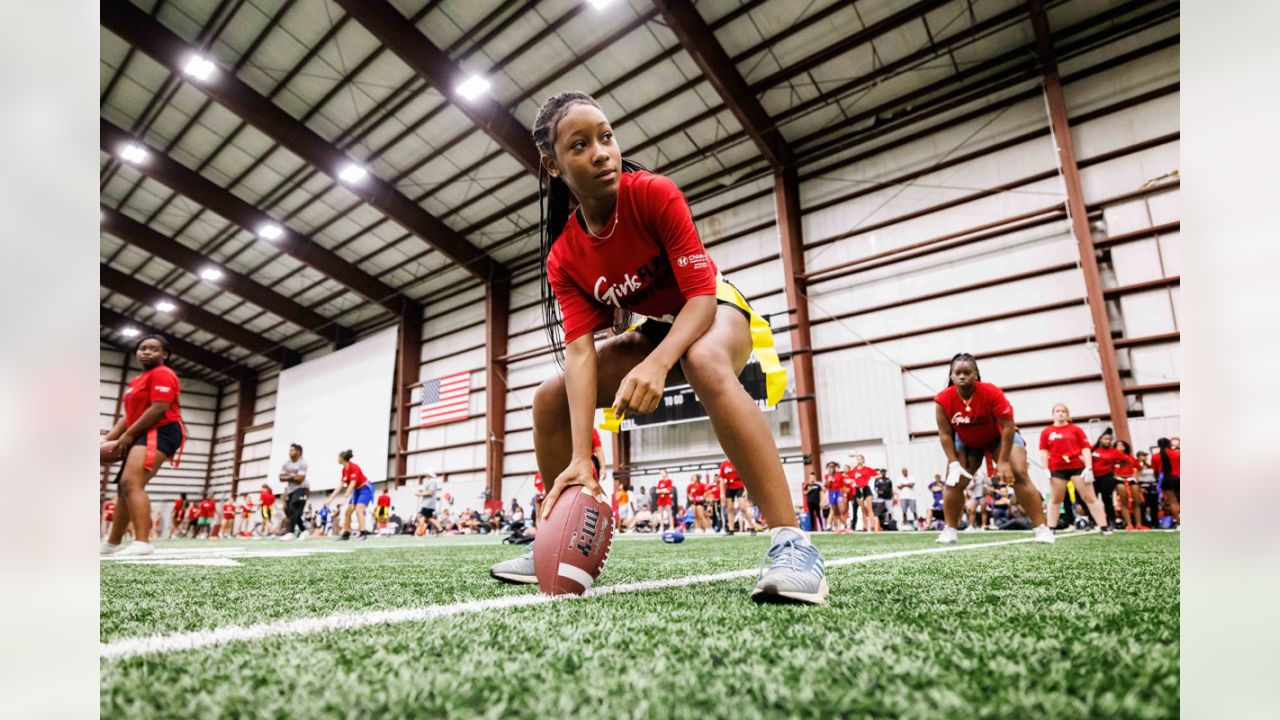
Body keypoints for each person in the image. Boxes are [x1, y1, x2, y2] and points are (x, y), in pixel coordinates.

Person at [486, 91, 823, 601]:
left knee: (704, 360)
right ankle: (557, 539)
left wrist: (660, 363)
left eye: (606, 137)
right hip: (655, 330)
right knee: (548, 397)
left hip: (714, 309)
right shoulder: (565, 256)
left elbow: (701, 299)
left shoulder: (653, 194)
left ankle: (793, 543)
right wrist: (581, 456)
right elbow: (578, 354)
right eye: (580, 145)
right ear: (553, 165)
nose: (602, 152)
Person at [933, 353, 1053, 544]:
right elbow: (945, 434)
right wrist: (954, 463)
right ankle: (950, 529)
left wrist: (1003, 461)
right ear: (951, 376)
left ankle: (1042, 528)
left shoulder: (992, 392)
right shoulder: (942, 400)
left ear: (976, 374)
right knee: (954, 482)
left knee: (1019, 473)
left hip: (999, 437)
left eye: (967, 372)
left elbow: (1007, 427)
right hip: (967, 441)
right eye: (958, 373)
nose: (962, 376)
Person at [101, 336, 187, 557]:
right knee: (123, 487)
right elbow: (129, 416)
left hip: (163, 429)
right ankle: (111, 544)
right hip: (141, 432)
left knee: (131, 483)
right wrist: (108, 438)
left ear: (164, 355)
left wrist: (128, 436)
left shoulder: (163, 374)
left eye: (154, 349)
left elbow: (159, 408)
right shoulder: (136, 381)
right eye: (142, 348)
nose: (147, 352)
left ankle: (143, 542)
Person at [1039, 403, 1111, 534]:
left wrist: (1089, 467)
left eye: (1063, 411)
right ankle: (1051, 528)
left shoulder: (1075, 429)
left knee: (1090, 497)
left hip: (1077, 467)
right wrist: (1045, 469)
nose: (1060, 413)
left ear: (1067, 414)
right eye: (1057, 411)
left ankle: (1104, 526)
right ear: (1053, 414)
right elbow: (1044, 451)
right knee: (1055, 499)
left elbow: (1085, 448)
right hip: (1057, 468)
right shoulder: (1046, 432)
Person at [324, 449, 373, 540]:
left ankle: (362, 532)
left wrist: (345, 497)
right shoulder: (344, 470)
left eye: (338, 457)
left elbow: (352, 483)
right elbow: (340, 486)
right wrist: (330, 499)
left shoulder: (354, 467)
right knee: (348, 512)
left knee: (359, 510)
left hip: (365, 489)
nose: (337, 459)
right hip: (357, 491)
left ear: (342, 458)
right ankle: (346, 532)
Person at [1089, 428, 1123, 530]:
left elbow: (1128, 461)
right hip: (1092, 478)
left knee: (1107, 500)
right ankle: (1093, 521)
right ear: (1100, 439)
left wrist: (1117, 471)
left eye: (1110, 439)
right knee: (1092, 500)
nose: (1108, 441)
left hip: (1106, 477)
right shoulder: (1092, 449)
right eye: (1105, 439)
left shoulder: (1114, 452)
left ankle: (1111, 521)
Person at [278, 443, 309, 539]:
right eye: (289, 450)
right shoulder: (286, 463)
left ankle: (290, 532)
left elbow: (300, 479)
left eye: (292, 450)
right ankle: (304, 530)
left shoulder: (303, 463)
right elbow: (280, 478)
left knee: (294, 506)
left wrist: (288, 476)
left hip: (302, 488)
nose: (290, 452)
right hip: (291, 490)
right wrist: (293, 476)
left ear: (298, 452)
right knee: (289, 511)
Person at [1112, 440, 1145, 530]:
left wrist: (1136, 477)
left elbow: (1140, 467)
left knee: (1136, 502)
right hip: (1119, 479)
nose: (1120, 447)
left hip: (1131, 478)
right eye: (1117, 445)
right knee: (1124, 502)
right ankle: (1129, 524)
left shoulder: (1130, 457)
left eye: (1122, 445)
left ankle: (1139, 524)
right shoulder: (1113, 458)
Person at [1151, 437, 1181, 528]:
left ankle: (1179, 523)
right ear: (1169, 444)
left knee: (1173, 502)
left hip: (1166, 480)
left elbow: (1155, 472)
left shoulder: (1155, 456)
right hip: (1178, 478)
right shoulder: (1177, 454)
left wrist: (1157, 481)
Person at [847, 457, 876, 531]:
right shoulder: (854, 470)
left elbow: (876, 474)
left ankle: (873, 526)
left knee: (869, 508)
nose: (859, 460)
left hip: (866, 488)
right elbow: (849, 478)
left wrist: (870, 479)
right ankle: (865, 527)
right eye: (858, 459)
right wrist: (853, 482)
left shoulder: (867, 469)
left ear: (863, 460)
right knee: (862, 509)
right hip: (858, 489)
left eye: (860, 459)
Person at [823, 461, 846, 534]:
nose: (831, 468)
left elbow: (843, 485)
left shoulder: (839, 475)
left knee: (841, 510)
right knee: (833, 510)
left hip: (838, 492)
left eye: (832, 466)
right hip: (831, 493)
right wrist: (828, 481)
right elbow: (826, 487)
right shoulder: (827, 476)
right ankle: (829, 526)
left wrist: (844, 495)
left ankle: (844, 525)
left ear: (835, 467)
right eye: (829, 466)